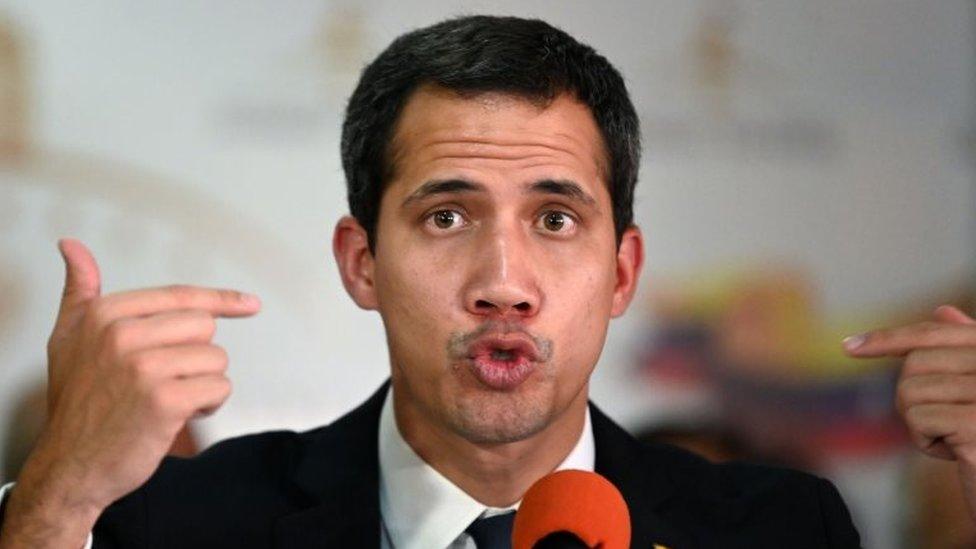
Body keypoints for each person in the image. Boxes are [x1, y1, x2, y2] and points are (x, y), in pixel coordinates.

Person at [0, 14, 973, 549]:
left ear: (622, 269)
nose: (503, 284)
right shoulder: (183, 528)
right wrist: (52, 503)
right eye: (446, 217)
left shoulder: (774, 533)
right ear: (361, 263)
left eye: (555, 220)